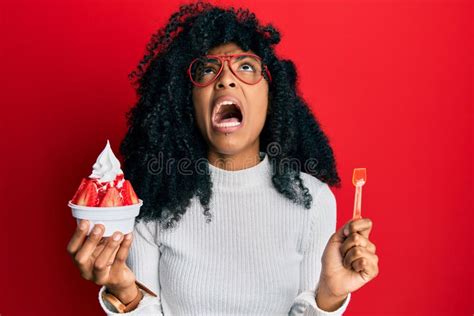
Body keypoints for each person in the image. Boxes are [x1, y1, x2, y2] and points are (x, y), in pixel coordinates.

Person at [66, 1, 379, 315]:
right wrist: (125, 292)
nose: (226, 79)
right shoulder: (154, 198)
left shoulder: (312, 200)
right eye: (207, 69)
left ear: (272, 96)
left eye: (245, 67)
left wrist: (329, 296)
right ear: (186, 102)